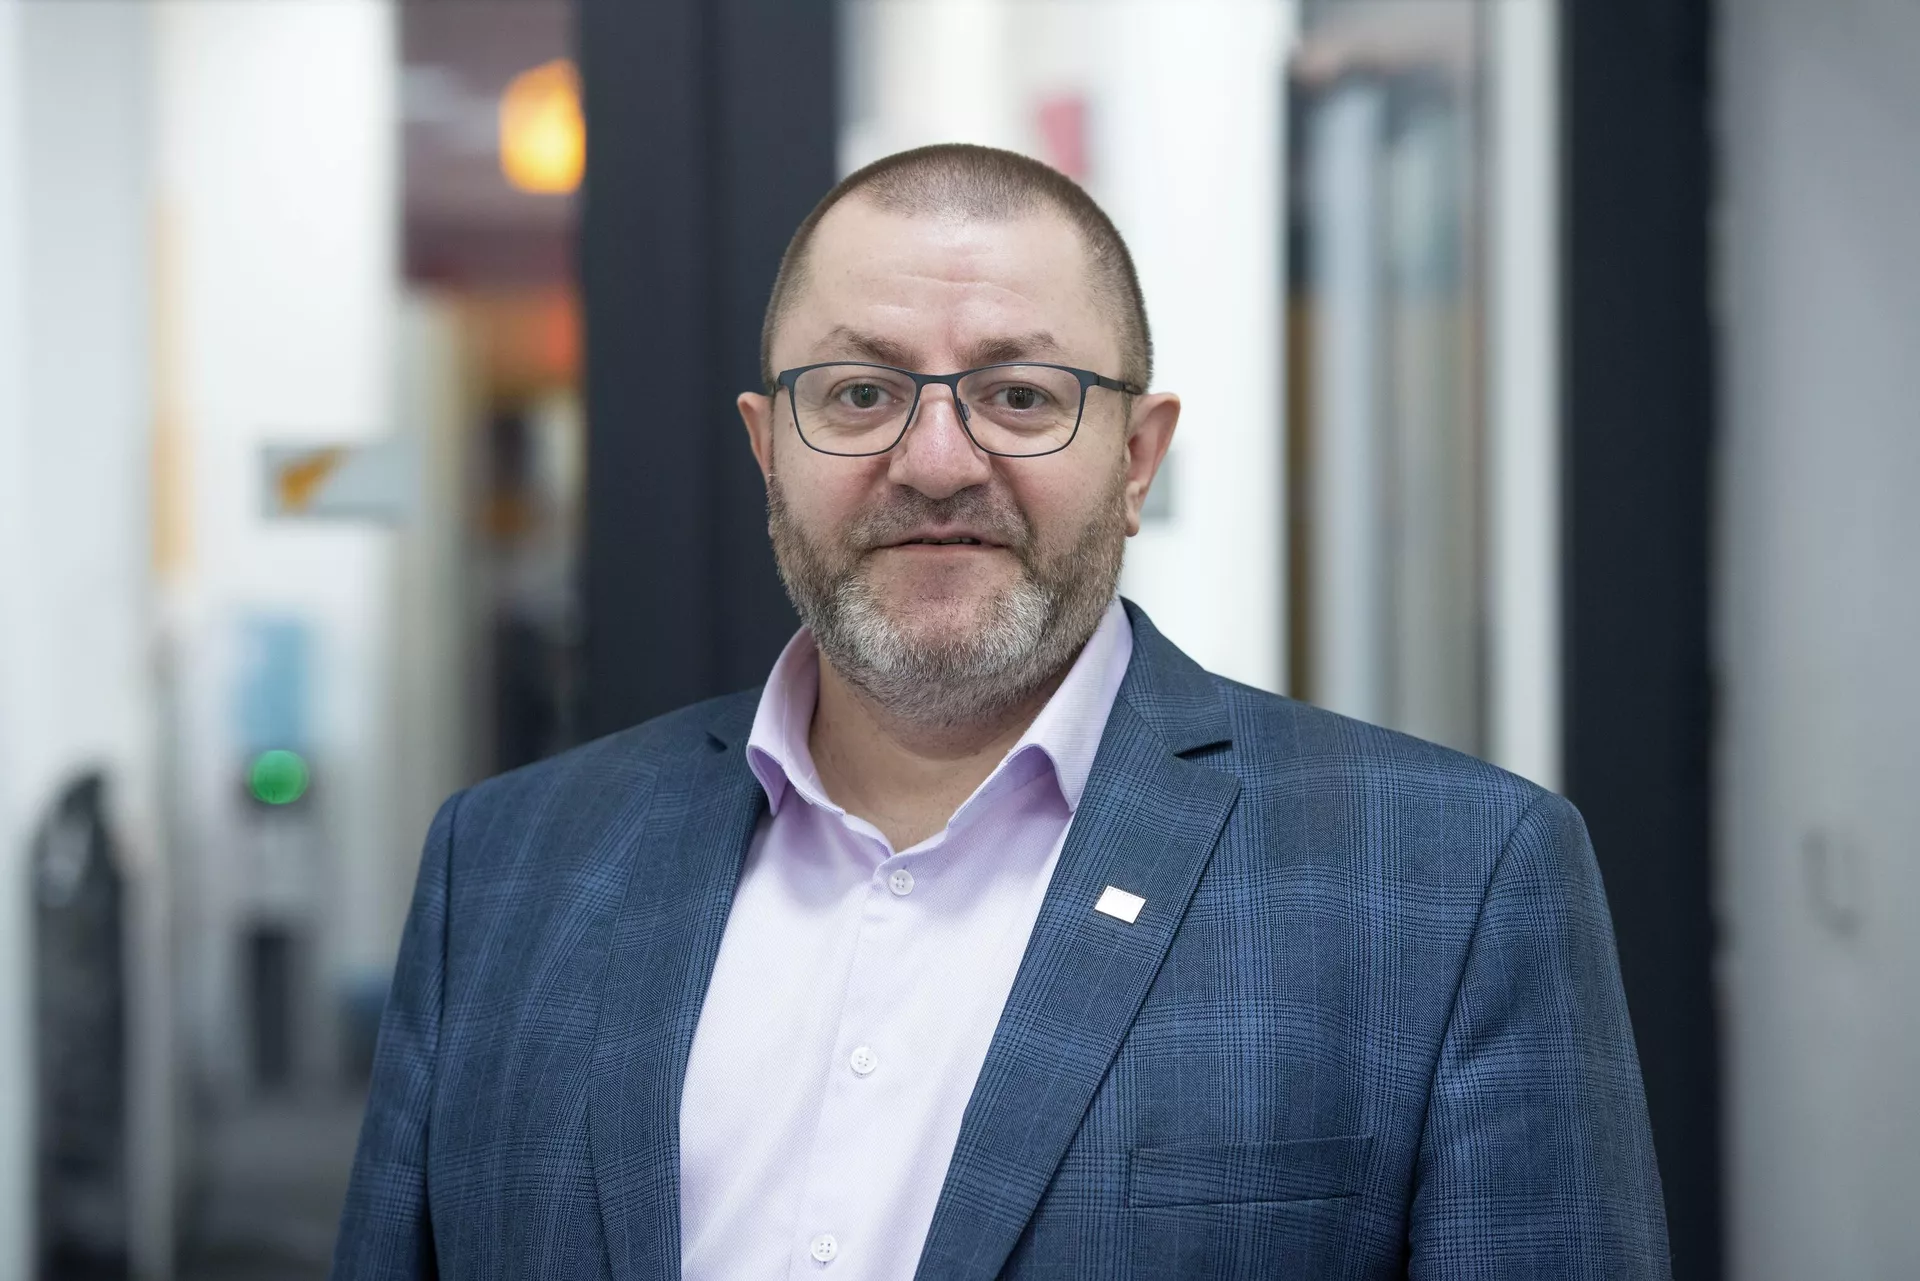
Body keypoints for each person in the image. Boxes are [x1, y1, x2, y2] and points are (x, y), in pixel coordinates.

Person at [332, 142, 1669, 1280]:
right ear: (768, 446)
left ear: (1137, 458)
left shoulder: (1449, 880)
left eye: (1019, 397)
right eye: (860, 394)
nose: (933, 462)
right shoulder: (506, 867)